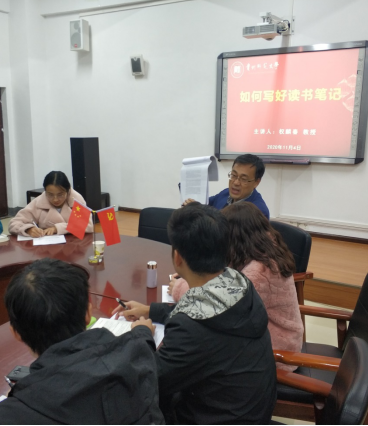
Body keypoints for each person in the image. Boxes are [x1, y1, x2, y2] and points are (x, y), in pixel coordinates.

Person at [0, 258, 164, 425]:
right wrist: (142, 331)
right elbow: (141, 342)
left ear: (16, 333)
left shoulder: (11, 415)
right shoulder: (139, 354)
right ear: (87, 313)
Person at [113, 203, 277, 425]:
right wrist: (150, 310)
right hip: (249, 411)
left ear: (178, 257)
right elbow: (205, 313)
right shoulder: (239, 284)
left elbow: (151, 380)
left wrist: (141, 334)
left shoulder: (190, 327)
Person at [169, 202, 304, 372]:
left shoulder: (259, 272)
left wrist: (180, 287)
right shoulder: (264, 250)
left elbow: (219, 305)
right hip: (268, 336)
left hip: (276, 353)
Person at [183, 154, 270, 219]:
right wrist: (192, 203)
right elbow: (203, 204)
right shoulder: (226, 193)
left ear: (256, 182)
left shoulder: (259, 212)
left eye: (243, 179)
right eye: (233, 175)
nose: (236, 183)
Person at [9, 171, 93, 238]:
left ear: (68, 191)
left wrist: (57, 228)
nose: (55, 199)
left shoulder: (76, 199)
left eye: (60, 195)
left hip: (74, 245)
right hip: (47, 248)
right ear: (45, 191)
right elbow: (14, 223)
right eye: (50, 195)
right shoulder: (39, 202)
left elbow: (87, 225)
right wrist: (28, 229)